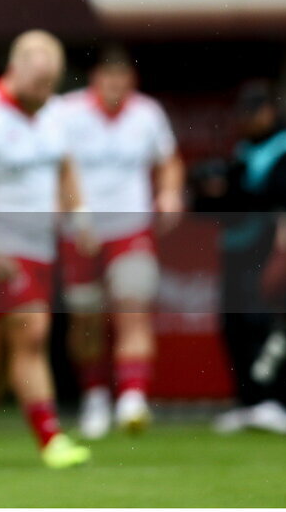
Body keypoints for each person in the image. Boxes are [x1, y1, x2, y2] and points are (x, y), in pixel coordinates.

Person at [0, 30, 92, 469]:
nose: (46, 92)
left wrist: (79, 216)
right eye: (39, 83)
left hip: (40, 245)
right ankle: (51, 438)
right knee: (31, 330)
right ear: (15, 67)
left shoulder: (54, 113)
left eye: (53, 83)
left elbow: (65, 167)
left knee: (9, 342)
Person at [58, 50, 184, 438]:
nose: (115, 85)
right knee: (86, 320)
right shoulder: (65, 112)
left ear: (132, 80)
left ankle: (132, 399)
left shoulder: (148, 114)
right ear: (94, 78)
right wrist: (74, 214)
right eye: (108, 77)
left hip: (131, 228)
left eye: (122, 77)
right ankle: (95, 397)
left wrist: (170, 193)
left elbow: (169, 160)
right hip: (80, 231)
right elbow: (53, 168)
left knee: (133, 308)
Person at [195, 81, 286, 434]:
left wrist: (234, 190)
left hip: (275, 248)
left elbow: (277, 197)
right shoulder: (243, 151)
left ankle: (277, 401)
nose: (248, 118)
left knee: (268, 326)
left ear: (270, 111)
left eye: (254, 111)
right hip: (239, 251)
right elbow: (222, 205)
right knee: (234, 324)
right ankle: (250, 401)